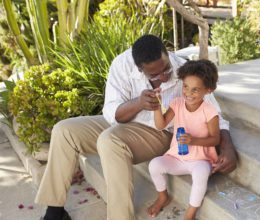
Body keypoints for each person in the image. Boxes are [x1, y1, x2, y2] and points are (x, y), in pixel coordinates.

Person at [35, 34, 237, 220]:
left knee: (110, 141)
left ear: (167, 54)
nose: (163, 77)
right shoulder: (122, 65)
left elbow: (215, 113)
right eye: (154, 76)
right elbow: (111, 111)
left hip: (159, 131)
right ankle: (55, 212)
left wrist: (227, 146)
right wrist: (138, 103)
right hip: (124, 122)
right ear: (140, 69)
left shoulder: (185, 69)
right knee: (64, 130)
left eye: (165, 69)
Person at [147, 60, 220, 220]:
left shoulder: (209, 111)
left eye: (195, 90)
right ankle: (162, 196)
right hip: (177, 157)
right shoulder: (178, 104)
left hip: (200, 160)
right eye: (185, 86)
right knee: (154, 165)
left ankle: (190, 214)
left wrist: (193, 140)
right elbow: (161, 125)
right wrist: (157, 105)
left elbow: (215, 139)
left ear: (208, 90)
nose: (188, 93)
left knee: (201, 173)